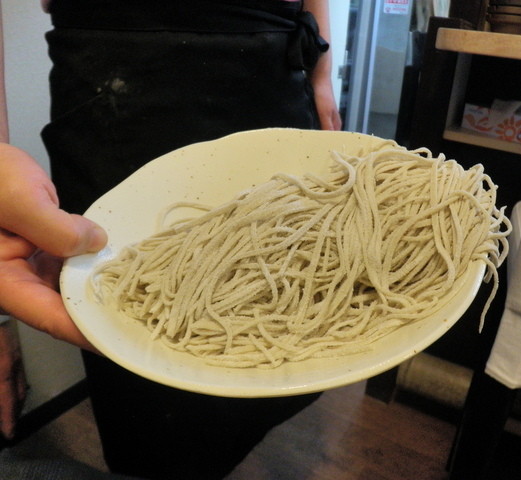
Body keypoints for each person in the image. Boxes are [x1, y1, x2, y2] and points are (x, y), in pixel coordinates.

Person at [0, 1, 341, 478]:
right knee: (149, 390)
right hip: (119, 83)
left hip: (277, 65)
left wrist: (321, 72)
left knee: (287, 318)